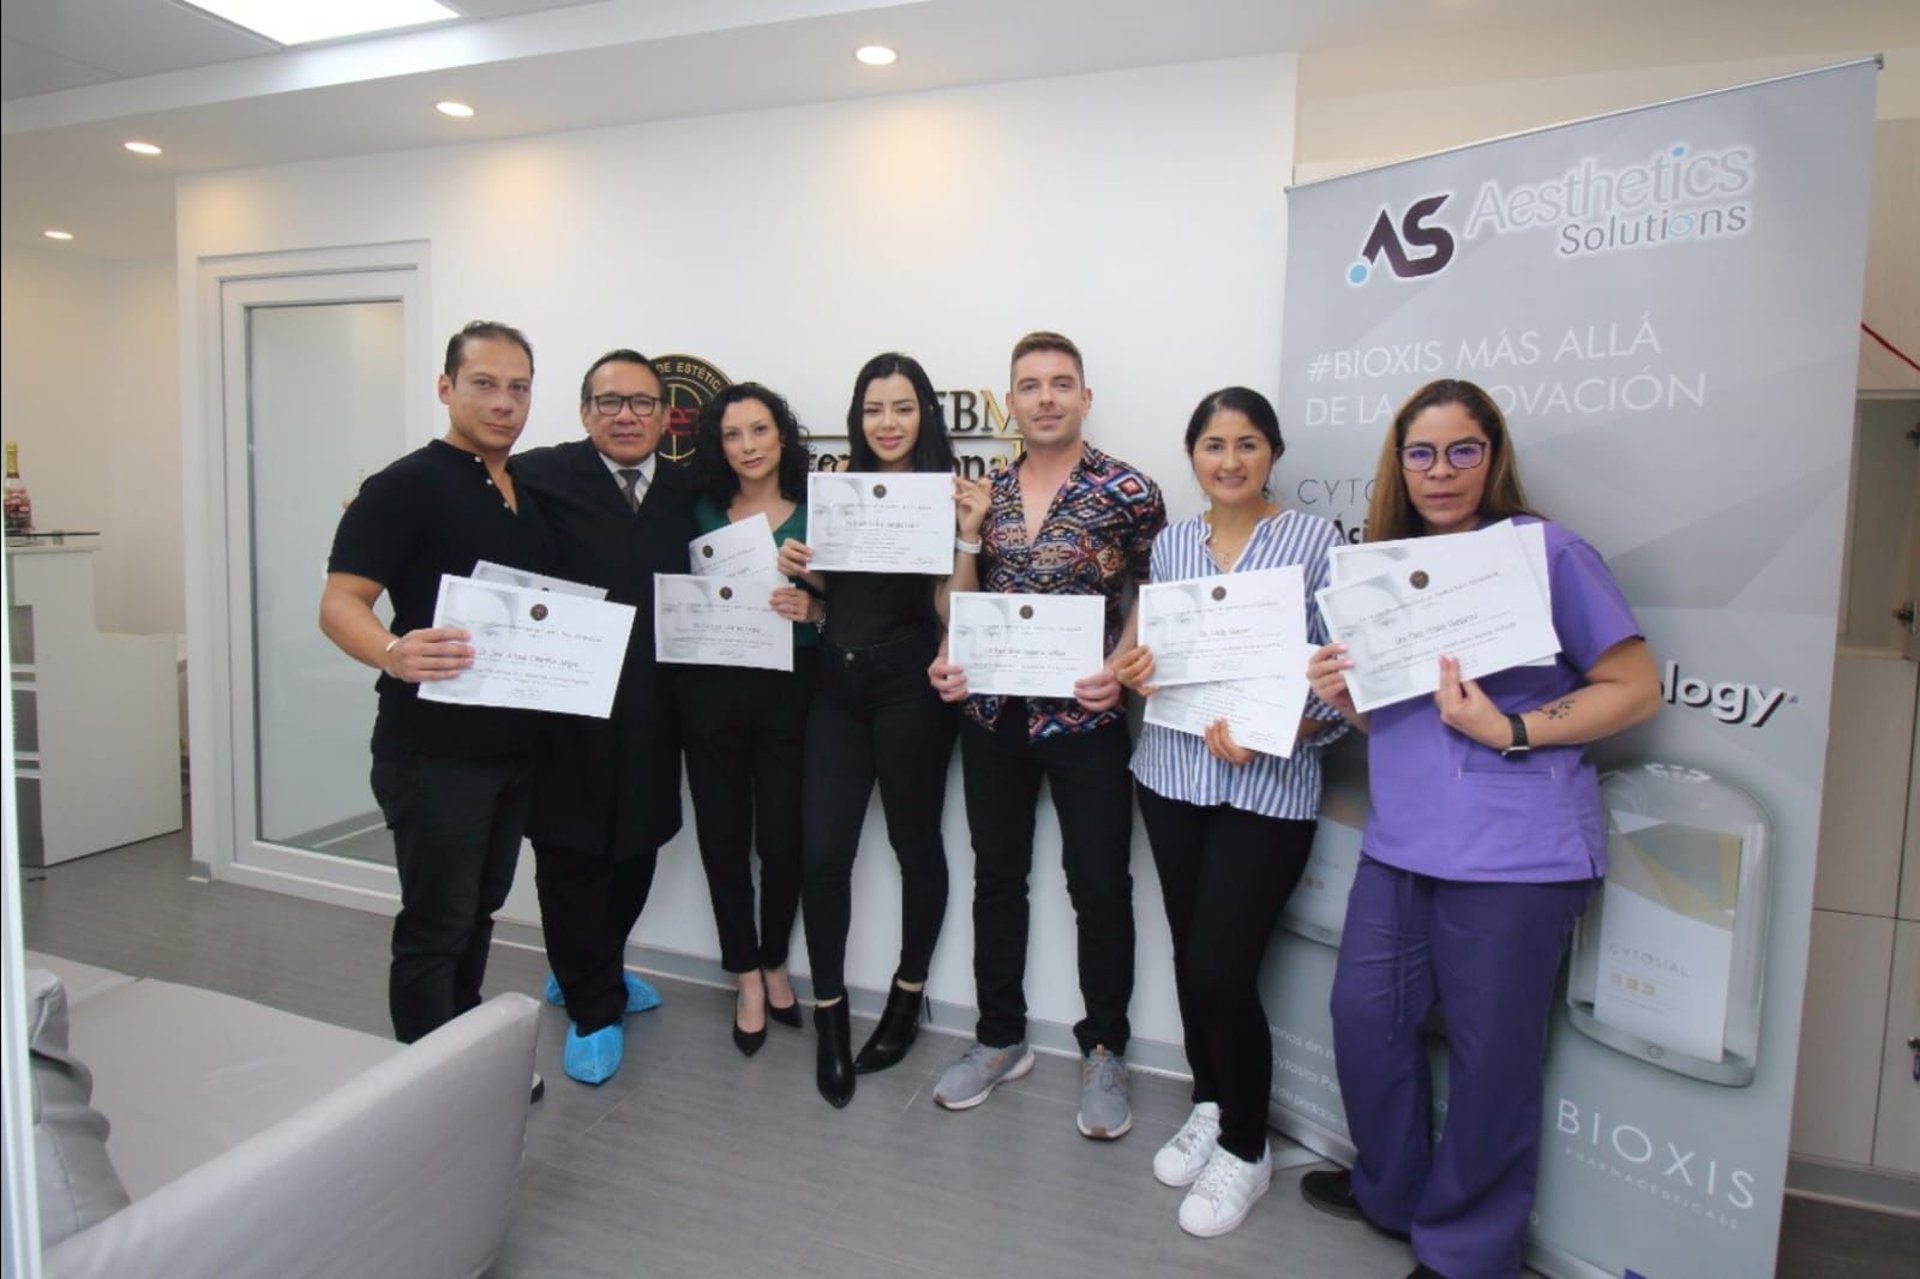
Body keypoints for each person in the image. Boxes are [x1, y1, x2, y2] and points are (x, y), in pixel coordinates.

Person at [1301, 379, 1659, 1279]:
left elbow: (1633, 686)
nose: (1442, 470)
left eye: (1463, 449)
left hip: (1516, 853)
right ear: (1400, 464)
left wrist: (1513, 727)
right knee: (1365, 1019)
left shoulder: (1548, 553)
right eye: (1421, 453)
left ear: (1493, 456)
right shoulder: (1386, 566)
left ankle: (1467, 1249)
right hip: (1403, 840)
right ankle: (1392, 1187)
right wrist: (1349, 699)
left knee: (1493, 1055)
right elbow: (1410, 719)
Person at [1114, 387, 1345, 1237]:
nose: (1231, 460)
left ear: (1273, 453)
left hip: (1266, 784)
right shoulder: (1172, 543)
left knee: (1221, 965)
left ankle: (1247, 1150)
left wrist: (1282, 728)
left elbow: (1338, 679)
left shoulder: (1316, 541)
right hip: (1171, 771)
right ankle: (1211, 1102)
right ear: (1194, 457)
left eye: (1248, 443)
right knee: (1188, 953)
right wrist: (1140, 669)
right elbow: (1157, 650)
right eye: (1214, 444)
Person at [926, 330, 1165, 1138]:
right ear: (1011, 402)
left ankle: (1105, 1049)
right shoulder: (983, 493)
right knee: (997, 878)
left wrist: (1122, 660)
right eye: (1030, 385)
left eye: (1062, 383)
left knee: (1099, 884)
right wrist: (950, 656)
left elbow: (1156, 589)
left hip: (1086, 714)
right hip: (993, 715)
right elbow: (954, 610)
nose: (1047, 397)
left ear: (1085, 397)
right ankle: (999, 1038)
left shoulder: (1129, 489)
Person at [320, 321, 555, 1088]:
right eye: (484, 383)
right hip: (432, 752)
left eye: (518, 386)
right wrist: (392, 650)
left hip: (509, 749)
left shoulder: (524, 489)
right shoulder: (405, 485)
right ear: (446, 387)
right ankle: (427, 1090)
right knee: (435, 925)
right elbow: (339, 602)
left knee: (479, 912)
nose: (503, 401)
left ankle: (463, 1056)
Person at [778, 353, 970, 1108]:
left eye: (902, 407)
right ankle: (830, 1013)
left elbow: (949, 611)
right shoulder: (840, 491)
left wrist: (967, 537)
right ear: (858, 418)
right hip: (836, 685)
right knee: (823, 852)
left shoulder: (945, 496)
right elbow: (842, 592)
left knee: (914, 846)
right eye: (872, 409)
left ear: (925, 413)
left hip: (910, 690)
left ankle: (906, 995)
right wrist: (804, 569)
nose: (886, 423)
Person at [512, 350, 698, 1086]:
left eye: (643, 402)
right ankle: (593, 1004)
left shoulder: (688, 486)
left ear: (664, 415)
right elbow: (456, 495)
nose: (627, 415)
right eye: (610, 401)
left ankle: (592, 964)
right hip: (564, 702)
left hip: (655, 700)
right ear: (585, 411)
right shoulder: (540, 474)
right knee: (570, 851)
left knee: (640, 841)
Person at [679, 382, 821, 1057]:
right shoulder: (700, 509)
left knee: (785, 839)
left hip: (792, 692)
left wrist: (814, 611)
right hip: (711, 692)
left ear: (782, 435)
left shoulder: (818, 512)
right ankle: (746, 975)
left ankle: (773, 956)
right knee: (724, 837)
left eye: (759, 430)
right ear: (718, 444)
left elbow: (855, 608)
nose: (748, 446)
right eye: (733, 435)